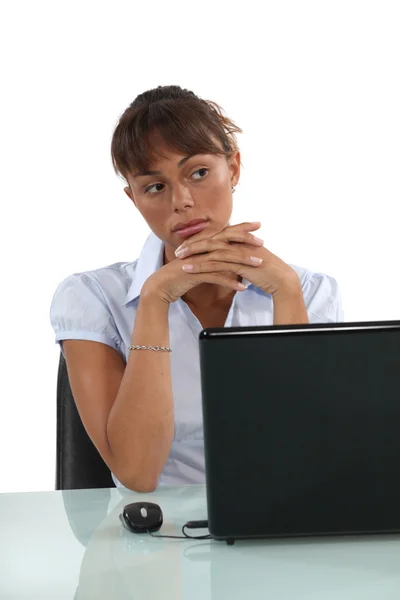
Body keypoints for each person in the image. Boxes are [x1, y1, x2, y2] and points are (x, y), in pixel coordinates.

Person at [50, 85, 343, 492]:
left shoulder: (308, 290)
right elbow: (137, 473)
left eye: (199, 172)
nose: (182, 201)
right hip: (155, 539)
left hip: (279, 529)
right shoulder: (93, 297)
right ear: (133, 198)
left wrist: (287, 296)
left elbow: (308, 456)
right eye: (155, 187)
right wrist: (154, 301)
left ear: (234, 168)